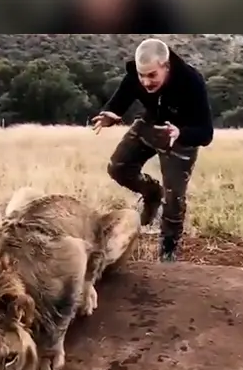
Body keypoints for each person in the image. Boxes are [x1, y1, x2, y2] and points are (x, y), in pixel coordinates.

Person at [91, 38, 214, 262]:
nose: (146, 82)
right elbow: (121, 98)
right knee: (118, 167)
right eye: (142, 75)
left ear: (166, 66)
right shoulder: (136, 77)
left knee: (174, 199)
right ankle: (151, 193)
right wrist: (111, 112)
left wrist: (181, 134)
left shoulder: (191, 81)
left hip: (180, 137)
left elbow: (206, 133)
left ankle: (168, 252)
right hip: (150, 125)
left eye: (152, 75)